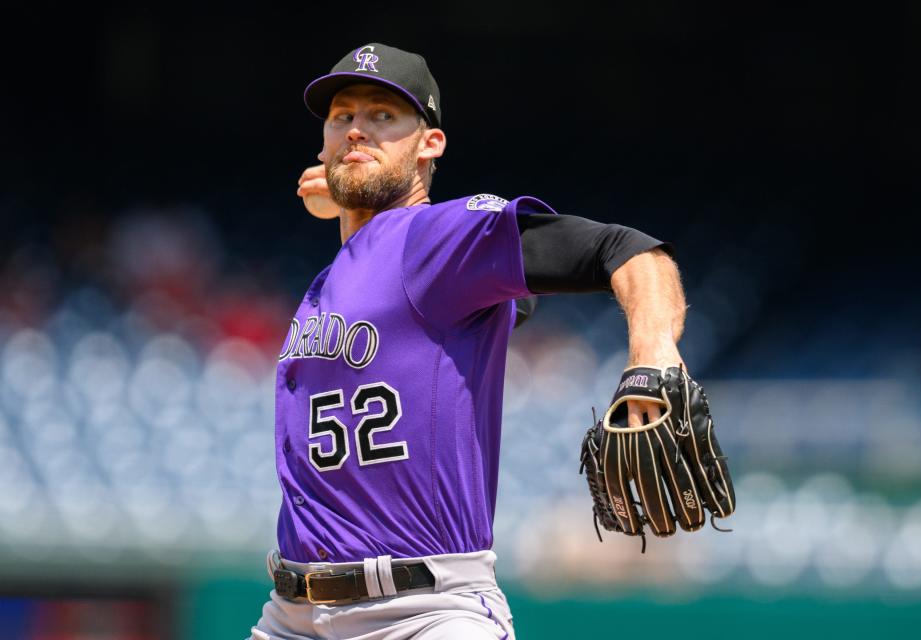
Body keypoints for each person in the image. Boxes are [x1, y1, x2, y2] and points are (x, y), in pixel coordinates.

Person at [249, 43, 690, 640]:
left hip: (421, 614)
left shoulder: (435, 235)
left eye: (383, 117)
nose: (357, 130)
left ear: (429, 144)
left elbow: (626, 249)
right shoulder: (347, 274)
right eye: (341, 117)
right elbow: (499, 306)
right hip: (293, 616)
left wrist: (654, 357)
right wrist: (356, 203)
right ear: (323, 145)